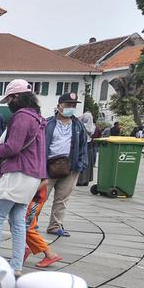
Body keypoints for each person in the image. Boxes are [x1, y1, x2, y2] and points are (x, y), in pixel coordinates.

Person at [0, 80, 45, 277]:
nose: (8, 104)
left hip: (17, 173)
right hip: (32, 175)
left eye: (9, 99)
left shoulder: (22, 117)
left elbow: (12, 148)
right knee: (17, 221)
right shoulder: (38, 118)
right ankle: (16, 264)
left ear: (16, 97)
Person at [41, 93, 88, 237]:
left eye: (73, 106)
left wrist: (80, 164)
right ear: (58, 106)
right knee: (40, 196)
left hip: (70, 166)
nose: (71, 108)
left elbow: (83, 146)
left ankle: (55, 225)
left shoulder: (78, 125)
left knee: (62, 199)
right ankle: (30, 222)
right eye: (68, 105)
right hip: (49, 166)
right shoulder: (48, 124)